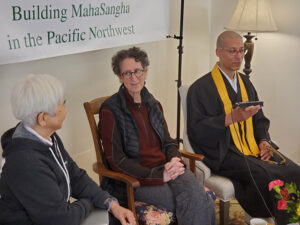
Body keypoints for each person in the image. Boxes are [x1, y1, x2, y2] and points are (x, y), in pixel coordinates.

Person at [187, 31, 300, 225]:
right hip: (223, 150)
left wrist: (264, 141)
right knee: (265, 175)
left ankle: (292, 220)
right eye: (232, 51)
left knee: (293, 170)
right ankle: (265, 220)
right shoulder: (200, 88)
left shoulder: (246, 83)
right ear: (218, 52)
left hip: (252, 147)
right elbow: (196, 130)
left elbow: (260, 120)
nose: (239, 57)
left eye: (241, 51)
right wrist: (230, 118)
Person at [99, 47, 216, 225]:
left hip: (168, 169)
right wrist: (158, 175)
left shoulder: (153, 104)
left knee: (198, 195)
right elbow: (117, 160)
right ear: (119, 77)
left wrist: (175, 161)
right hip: (137, 181)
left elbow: (168, 143)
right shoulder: (110, 110)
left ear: (145, 71)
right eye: (127, 73)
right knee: (196, 200)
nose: (134, 78)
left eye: (138, 71)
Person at [0, 74, 136, 225]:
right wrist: (88, 202)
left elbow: (75, 176)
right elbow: (61, 219)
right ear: (43, 118)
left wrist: (111, 204)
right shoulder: (26, 163)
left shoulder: (48, 137)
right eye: (62, 105)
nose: (66, 111)